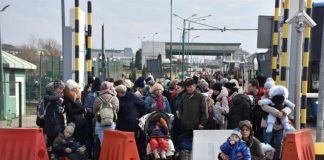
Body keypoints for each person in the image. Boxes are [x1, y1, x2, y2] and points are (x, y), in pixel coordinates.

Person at [44, 80, 65, 145]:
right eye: (60, 88)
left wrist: (61, 109)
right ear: (55, 88)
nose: (61, 91)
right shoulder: (48, 96)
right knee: (51, 139)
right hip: (51, 122)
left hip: (57, 121)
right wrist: (59, 97)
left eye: (62, 89)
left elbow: (57, 107)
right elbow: (52, 98)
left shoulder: (57, 96)